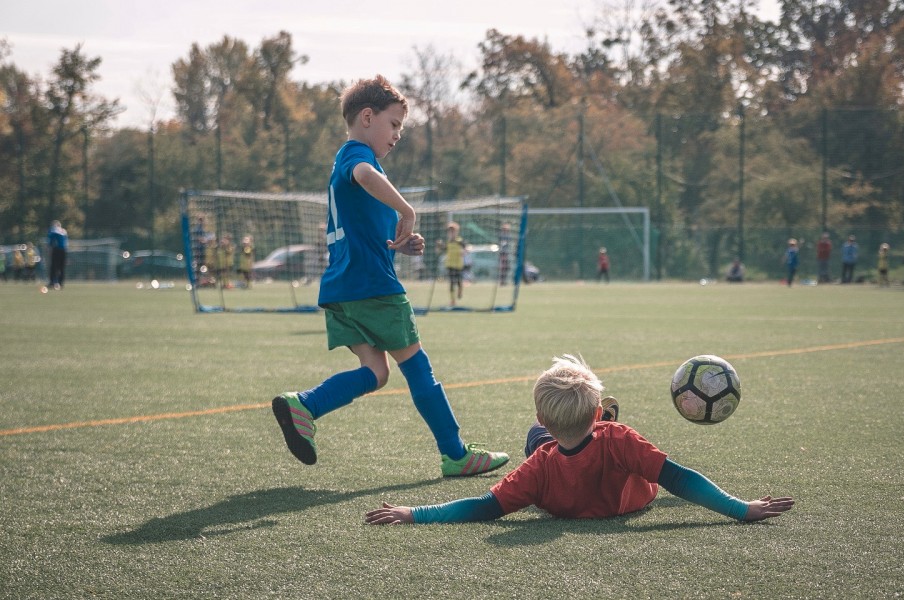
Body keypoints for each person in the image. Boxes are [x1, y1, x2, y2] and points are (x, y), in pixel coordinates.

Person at [271, 75, 508, 477]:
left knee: (376, 373)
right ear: (367, 117)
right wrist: (408, 211)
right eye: (394, 124)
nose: (398, 134)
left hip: (342, 288)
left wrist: (400, 244)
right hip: (372, 286)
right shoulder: (356, 156)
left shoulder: (353, 166)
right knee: (417, 366)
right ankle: (455, 453)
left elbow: (364, 225)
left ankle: (305, 405)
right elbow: (364, 174)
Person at [366, 354, 794, 525]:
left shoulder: (536, 469)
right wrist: (741, 509)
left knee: (535, 441)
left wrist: (414, 512)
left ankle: (556, 432)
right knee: (614, 452)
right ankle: (584, 425)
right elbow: (680, 479)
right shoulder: (621, 440)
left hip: (555, 462)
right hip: (628, 490)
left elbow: (484, 507)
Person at [441, 221, 465, 306]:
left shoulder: (460, 241)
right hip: (450, 265)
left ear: (456, 232)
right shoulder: (448, 242)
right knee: (451, 283)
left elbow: (466, 248)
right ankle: (452, 300)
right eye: (449, 232)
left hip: (458, 265)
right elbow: (443, 250)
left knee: (459, 282)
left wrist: (464, 251)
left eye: (453, 231)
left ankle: (460, 290)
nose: (451, 233)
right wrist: (439, 246)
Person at [47, 220, 69, 289]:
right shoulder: (64, 231)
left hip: (56, 250)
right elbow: (66, 242)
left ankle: (52, 283)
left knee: (54, 267)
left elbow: (51, 241)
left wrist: (49, 249)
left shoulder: (53, 230)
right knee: (61, 268)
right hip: (63, 250)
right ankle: (60, 283)